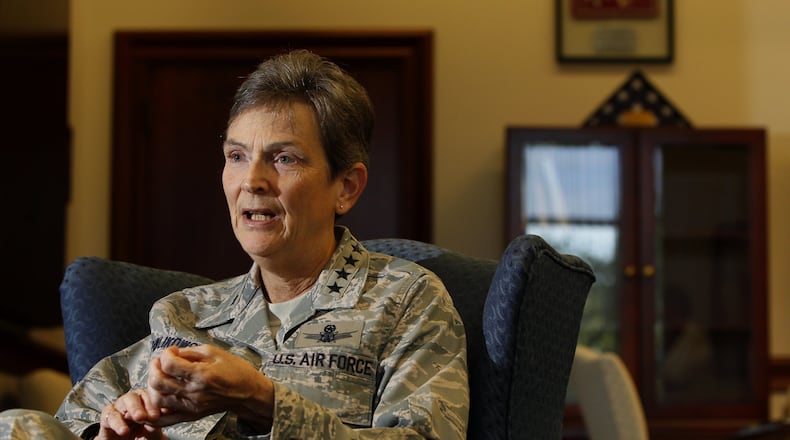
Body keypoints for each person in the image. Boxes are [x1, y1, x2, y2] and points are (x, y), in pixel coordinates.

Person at [0, 49, 469, 439]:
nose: (252, 181)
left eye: (283, 158)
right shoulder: (183, 314)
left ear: (346, 186)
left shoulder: (406, 300)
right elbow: (76, 417)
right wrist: (111, 432)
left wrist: (263, 402)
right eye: (236, 156)